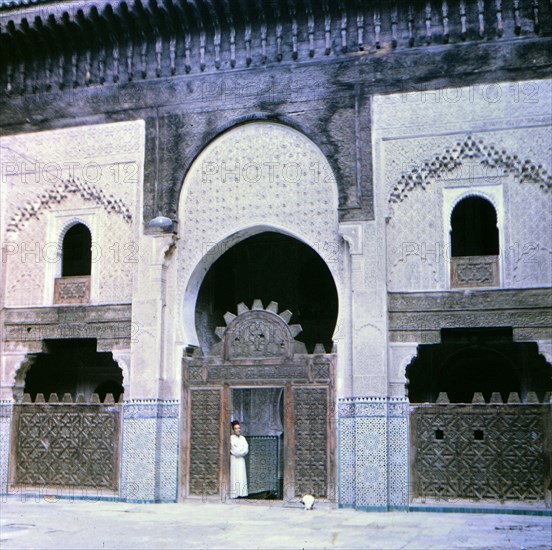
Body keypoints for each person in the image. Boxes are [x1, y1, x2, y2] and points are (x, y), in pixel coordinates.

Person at [230, 420, 249, 498]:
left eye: (239, 428)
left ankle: (242, 494)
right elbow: (235, 450)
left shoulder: (243, 438)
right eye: (236, 428)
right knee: (235, 476)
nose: (238, 430)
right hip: (234, 459)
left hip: (241, 460)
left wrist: (241, 451)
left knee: (241, 476)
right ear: (233, 430)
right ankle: (234, 494)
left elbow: (246, 449)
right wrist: (240, 451)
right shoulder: (231, 438)